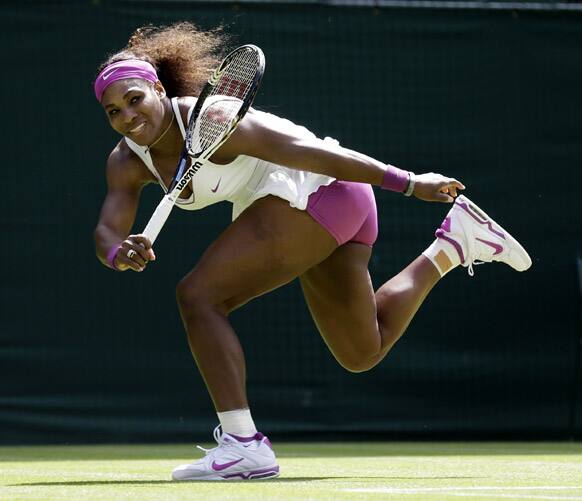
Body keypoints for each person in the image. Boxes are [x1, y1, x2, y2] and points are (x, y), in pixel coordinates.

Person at [93, 23, 531, 481]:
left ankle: (244, 445)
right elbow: (109, 228)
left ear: (158, 89)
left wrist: (408, 182)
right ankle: (454, 245)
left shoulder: (217, 117)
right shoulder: (126, 161)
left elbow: (310, 152)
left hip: (326, 192)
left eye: (134, 99)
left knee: (199, 296)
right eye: (113, 111)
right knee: (363, 350)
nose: (127, 116)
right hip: (311, 213)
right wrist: (118, 252)